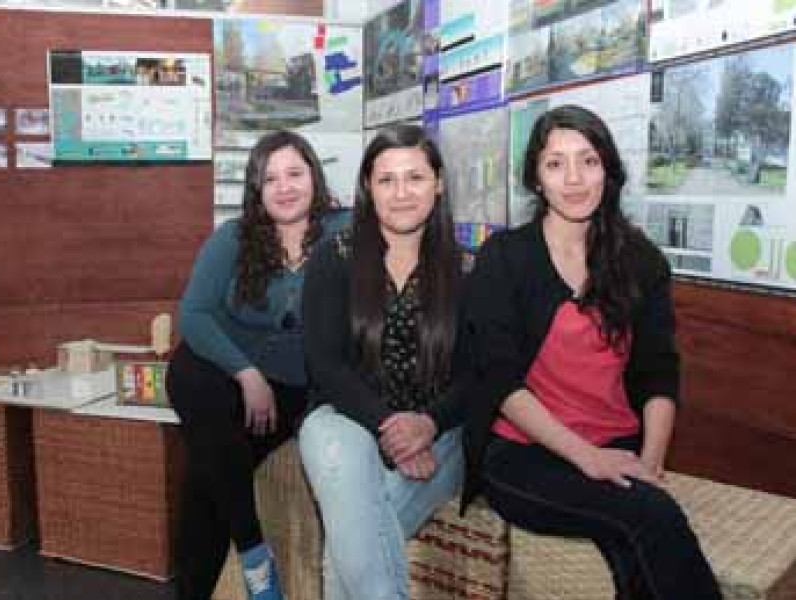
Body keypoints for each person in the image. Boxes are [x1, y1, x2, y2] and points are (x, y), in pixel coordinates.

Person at [462, 105, 722, 600]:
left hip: (618, 443)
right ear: (536, 179)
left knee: (635, 548)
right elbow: (499, 379)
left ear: (608, 170)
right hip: (524, 455)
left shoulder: (642, 261)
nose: (574, 179)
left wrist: (650, 463)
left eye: (588, 160)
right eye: (555, 164)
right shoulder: (505, 257)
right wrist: (588, 458)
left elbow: (659, 374)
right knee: (651, 518)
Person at [166, 129, 348, 600]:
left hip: (293, 388)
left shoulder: (345, 233)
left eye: (294, 174)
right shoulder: (234, 237)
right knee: (189, 373)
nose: (284, 187)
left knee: (204, 473)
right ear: (256, 189)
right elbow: (194, 314)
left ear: (315, 177)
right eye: (270, 179)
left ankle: (204, 589)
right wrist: (246, 373)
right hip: (224, 374)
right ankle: (254, 554)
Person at [298, 124, 468, 600]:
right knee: (346, 483)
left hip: (443, 435)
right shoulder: (334, 258)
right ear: (368, 188)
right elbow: (325, 364)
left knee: (350, 535)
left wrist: (427, 425)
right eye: (386, 180)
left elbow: (479, 374)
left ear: (439, 183)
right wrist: (391, 429)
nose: (401, 193)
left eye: (415, 177)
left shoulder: (469, 268)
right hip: (343, 420)